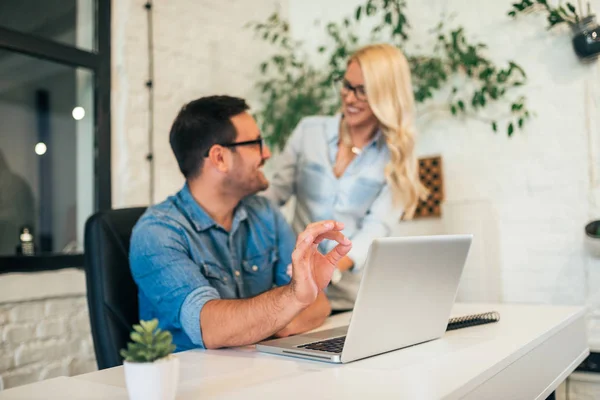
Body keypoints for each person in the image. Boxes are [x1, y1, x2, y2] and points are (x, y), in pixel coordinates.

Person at [129, 96, 352, 350]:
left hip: (257, 370)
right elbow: (211, 328)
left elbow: (318, 304)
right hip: (189, 383)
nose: (266, 153)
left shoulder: (265, 213)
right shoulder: (157, 233)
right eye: (256, 143)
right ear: (219, 158)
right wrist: (291, 303)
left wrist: (276, 317)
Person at [263, 43, 427, 311]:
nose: (350, 99)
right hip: (293, 289)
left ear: (385, 96)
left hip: (351, 298)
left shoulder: (395, 157)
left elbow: (376, 229)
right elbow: (273, 196)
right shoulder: (308, 131)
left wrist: (329, 269)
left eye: (363, 91)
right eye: (347, 86)